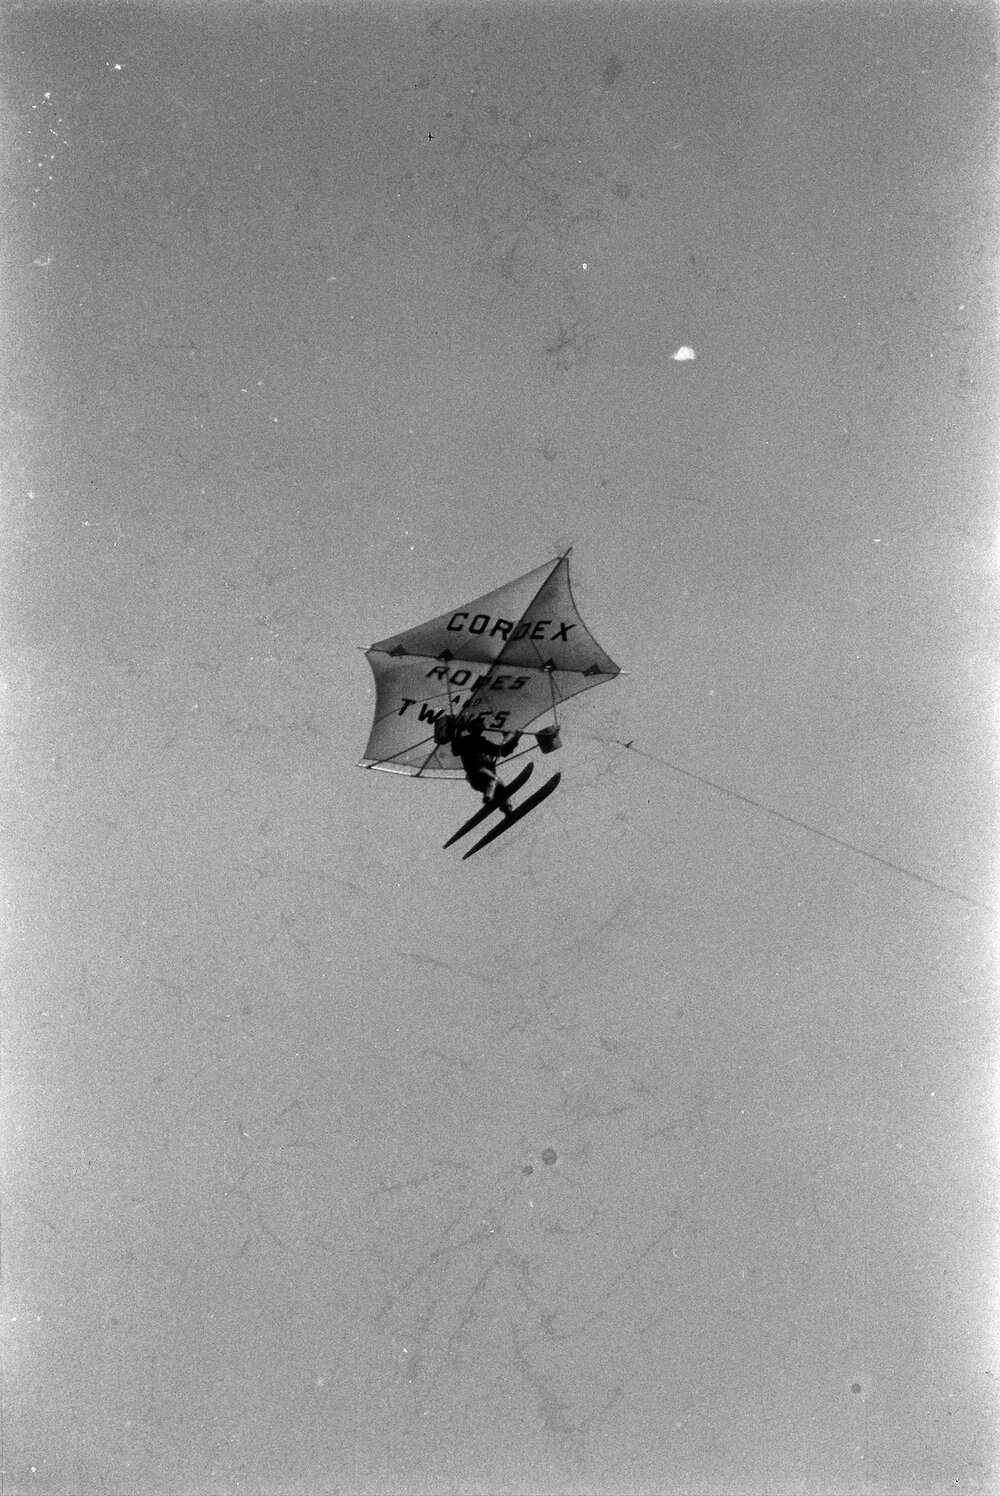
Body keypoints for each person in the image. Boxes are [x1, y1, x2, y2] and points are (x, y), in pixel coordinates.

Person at [451, 717, 521, 815]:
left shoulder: (482, 743)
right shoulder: (467, 741)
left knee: (500, 787)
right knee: (493, 779)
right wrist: (458, 731)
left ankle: (507, 809)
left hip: (480, 781)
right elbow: (455, 750)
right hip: (477, 775)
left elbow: (502, 751)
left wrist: (514, 739)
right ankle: (487, 798)